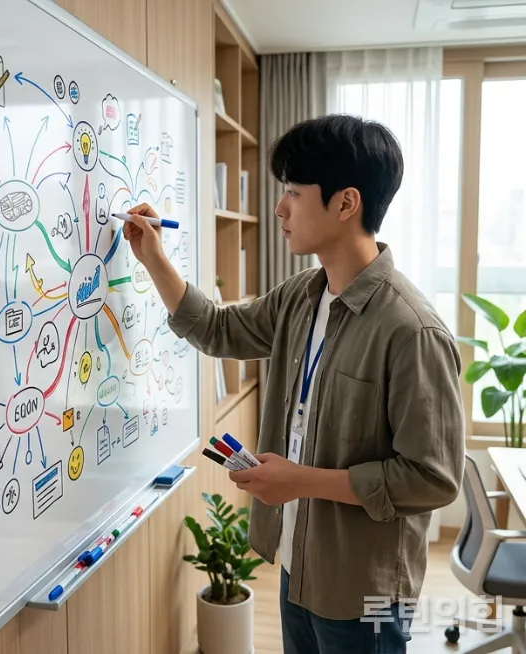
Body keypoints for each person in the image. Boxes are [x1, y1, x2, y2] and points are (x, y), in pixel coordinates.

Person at [122, 113, 464, 653]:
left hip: (362, 588)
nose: (280, 209)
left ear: (346, 203)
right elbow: (217, 328)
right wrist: (154, 261)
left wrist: (299, 481)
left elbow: (432, 479)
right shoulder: (302, 295)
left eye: (294, 193)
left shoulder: (412, 330)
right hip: (297, 561)